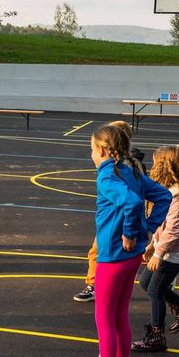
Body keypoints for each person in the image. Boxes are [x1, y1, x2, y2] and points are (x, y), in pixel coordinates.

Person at [77, 124, 170, 357]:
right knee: (119, 316)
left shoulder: (107, 177)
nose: (91, 155)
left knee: (104, 319)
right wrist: (146, 228)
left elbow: (131, 203)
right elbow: (163, 196)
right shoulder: (132, 171)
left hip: (113, 256)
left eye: (92, 150)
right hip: (130, 257)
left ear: (102, 150)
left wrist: (132, 231)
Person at [132, 145, 179, 352]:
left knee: (155, 290)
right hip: (168, 249)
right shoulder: (170, 192)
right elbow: (162, 226)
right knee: (146, 283)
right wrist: (152, 245)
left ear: (165, 167)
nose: (153, 168)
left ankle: (156, 336)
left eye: (156, 164)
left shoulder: (178, 196)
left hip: (174, 253)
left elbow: (172, 231)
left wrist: (158, 253)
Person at [73, 121, 145, 302]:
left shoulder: (117, 171)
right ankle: (98, 285)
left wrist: (131, 230)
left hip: (116, 224)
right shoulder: (124, 167)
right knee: (103, 254)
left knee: (100, 253)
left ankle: (95, 286)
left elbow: (134, 200)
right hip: (118, 222)